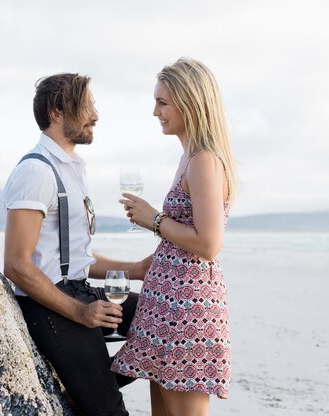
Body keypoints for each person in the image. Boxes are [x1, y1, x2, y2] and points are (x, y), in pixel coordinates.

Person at [3, 72, 151, 416]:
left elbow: (73, 258)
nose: (96, 116)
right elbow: (16, 265)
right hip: (51, 307)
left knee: (168, 323)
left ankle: (81, 395)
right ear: (57, 112)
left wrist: (135, 270)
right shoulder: (35, 172)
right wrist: (80, 312)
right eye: (87, 106)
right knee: (112, 413)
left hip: (80, 291)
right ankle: (94, 396)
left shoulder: (71, 168)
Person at [111, 58, 238, 416]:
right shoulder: (188, 156)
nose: (155, 112)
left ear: (189, 102)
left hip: (188, 309)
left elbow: (209, 243)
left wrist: (153, 219)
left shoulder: (204, 161)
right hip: (167, 302)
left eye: (162, 102)